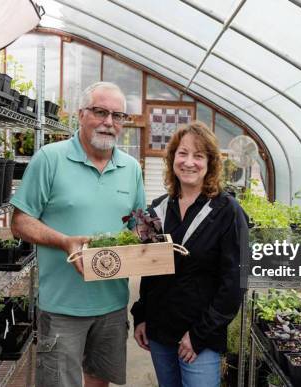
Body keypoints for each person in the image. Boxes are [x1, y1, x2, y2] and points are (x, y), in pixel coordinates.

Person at [10, 81, 145, 387]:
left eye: (117, 116)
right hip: (62, 305)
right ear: (81, 115)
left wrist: (144, 243)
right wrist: (64, 241)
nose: (109, 122)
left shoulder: (131, 169)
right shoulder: (50, 159)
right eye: (100, 112)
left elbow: (136, 223)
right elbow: (20, 221)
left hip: (112, 302)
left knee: (99, 380)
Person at [131, 121, 248, 387]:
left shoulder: (227, 211)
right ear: (172, 159)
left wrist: (198, 334)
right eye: (182, 153)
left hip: (200, 337)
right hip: (160, 332)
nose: (189, 162)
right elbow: (151, 269)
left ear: (210, 163)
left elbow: (234, 283)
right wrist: (142, 315)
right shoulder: (158, 208)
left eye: (198, 155)